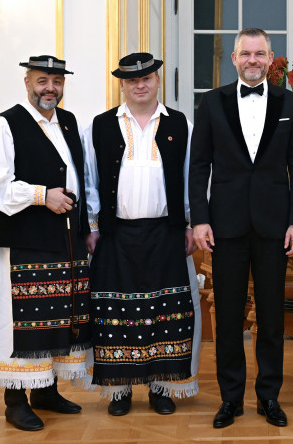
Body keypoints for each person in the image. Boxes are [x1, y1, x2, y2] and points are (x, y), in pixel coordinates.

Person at [189, 28, 293, 429]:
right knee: (227, 315)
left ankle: (269, 397)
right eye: (246, 53)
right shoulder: (212, 102)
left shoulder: (290, 102)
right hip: (225, 226)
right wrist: (200, 218)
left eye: (260, 54)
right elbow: (198, 166)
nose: (253, 60)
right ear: (234, 58)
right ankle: (231, 398)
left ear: (271, 58)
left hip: (276, 226)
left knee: (272, 317)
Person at [83, 52, 201, 416]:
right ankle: (119, 389)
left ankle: (160, 387)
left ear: (157, 81)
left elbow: (192, 179)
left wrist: (190, 223)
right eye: (132, 80)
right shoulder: (100, 126)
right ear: (122, 85)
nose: (140, 85)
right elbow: (89, 180)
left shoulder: (181, 124)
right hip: (115, 234)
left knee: (164, 313)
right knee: (116, 312)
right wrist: (92, 226)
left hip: (166, 232)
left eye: (146, 78)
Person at [0, 55, 92, 431]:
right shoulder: (6, 124)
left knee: (55, 318)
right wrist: (43, 195)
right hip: (22, 242)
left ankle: (46, 391)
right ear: (27, 82)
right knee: (20, 323)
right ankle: (15, 401)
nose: (50, 88)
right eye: (42, 80)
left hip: (65, 240)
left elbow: (79, 176)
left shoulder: (69, 122)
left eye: (57, 82)